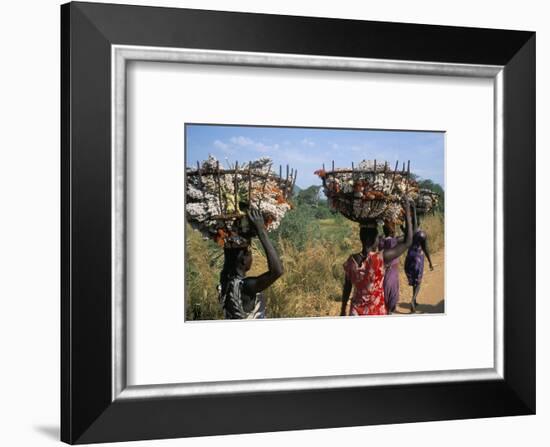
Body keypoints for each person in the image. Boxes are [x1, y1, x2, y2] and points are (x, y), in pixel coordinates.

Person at [340, 200, 413, 316]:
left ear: (361, 238)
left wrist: (343, 309)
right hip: (376, 310)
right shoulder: (380, 258)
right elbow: (408, 241)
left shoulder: (351, 261)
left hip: (355, 312)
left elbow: (347, 287)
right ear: (374, 240)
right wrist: (408, 211)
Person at [218, 209, 283, 319]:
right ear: (244, 260)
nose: (252, 257)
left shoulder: (225, 281)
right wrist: (261, 231)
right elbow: (277, 271)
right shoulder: (246, 287)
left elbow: (228, 257)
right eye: (250, 253)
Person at [404, 205, 434, 313]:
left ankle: (415, 299)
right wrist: (430, 262)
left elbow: (406, 226)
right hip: (418, 258)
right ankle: (412, 300)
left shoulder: (408, 233)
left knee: (413, 280)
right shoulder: (422, 234)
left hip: (409, 258)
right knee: (419, 281)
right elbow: (426, 249)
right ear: (419, 224)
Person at [378, 221, 401, 314]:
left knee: (385, 295)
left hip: (384, 272)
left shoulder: (380, 241)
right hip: (393, 274)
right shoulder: (394, 241)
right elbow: (409, 238)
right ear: (393, 230)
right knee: (392, 296)